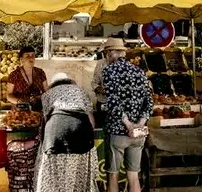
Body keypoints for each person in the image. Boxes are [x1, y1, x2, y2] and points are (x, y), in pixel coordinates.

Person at [102, 37, 153, 192]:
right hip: (138, 134)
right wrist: (139, 124)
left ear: (111, 53)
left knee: (113, 176)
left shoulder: (109, 71)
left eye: (106, 53)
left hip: (118, 132)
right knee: (133, 176)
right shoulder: (139, 71)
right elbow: (149, 102)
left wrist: (128, 125)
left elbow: (113, 102)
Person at [35, 72, 98, 192]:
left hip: (55, 136)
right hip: (81, 134)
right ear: (69, 81)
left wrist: (43, 143)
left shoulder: (47, 94)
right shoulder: (81, 92)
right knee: (79, 172)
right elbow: (91, 122)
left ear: (53, 84)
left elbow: (44, 121)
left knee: (54, 176)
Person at [6, 46, 47, 110]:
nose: (31, 58)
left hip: (37, 110)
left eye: (33, 55)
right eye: (27, 56)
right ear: (21, 59)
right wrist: (20, 102)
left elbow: (46, 92)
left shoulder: (40, 72)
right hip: (19, 111)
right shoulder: (14, 75)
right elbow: (9, 95)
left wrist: (38, 98)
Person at [92, 38, 122, 126]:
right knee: (103, 128)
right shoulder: (101, 63)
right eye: (107, 52)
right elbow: (94, 82)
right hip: (103, 102)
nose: (108, 54)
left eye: (110, 51)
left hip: (118, 104)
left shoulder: (124, 66)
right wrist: (98, 89)